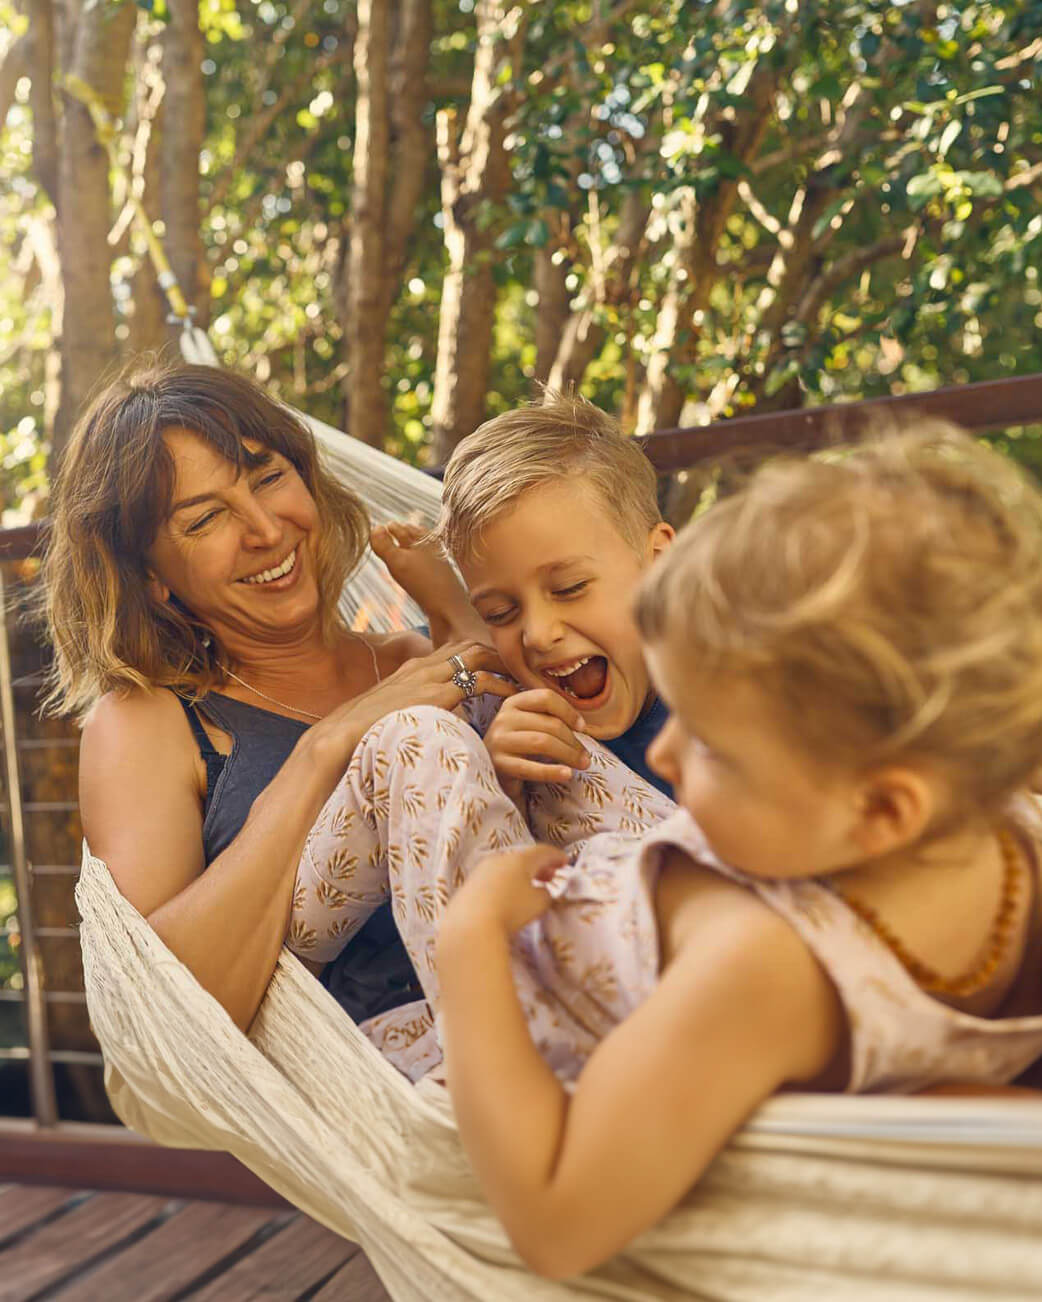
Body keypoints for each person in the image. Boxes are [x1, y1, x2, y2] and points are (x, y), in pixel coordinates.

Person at [292, 421, 1042, 1277]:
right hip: (605, 895)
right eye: (502, 613)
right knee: (467, 736)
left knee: (414, 743)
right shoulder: (1002, 827)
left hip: (508, 1022)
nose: (667, 755)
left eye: (713, 744)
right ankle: (269, 969)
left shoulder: (754, 974)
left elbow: (555, 1225)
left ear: (883, 809)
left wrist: (471, 947)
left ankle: (279, 954)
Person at [41, 360, 512, 1038]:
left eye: (269, 478)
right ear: (151, 578)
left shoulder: (416, 660)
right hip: (376, 1084)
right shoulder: (151, 721)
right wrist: (326, 749)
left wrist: (456, 618)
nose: (265, 529)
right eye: (206, 519)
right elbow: (167, 1018)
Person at [391, 392, 677, 799]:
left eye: (569, 588)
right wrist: (500, 782)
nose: (538, 635)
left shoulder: (749, 698)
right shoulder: (510, 717)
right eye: (500, 613)